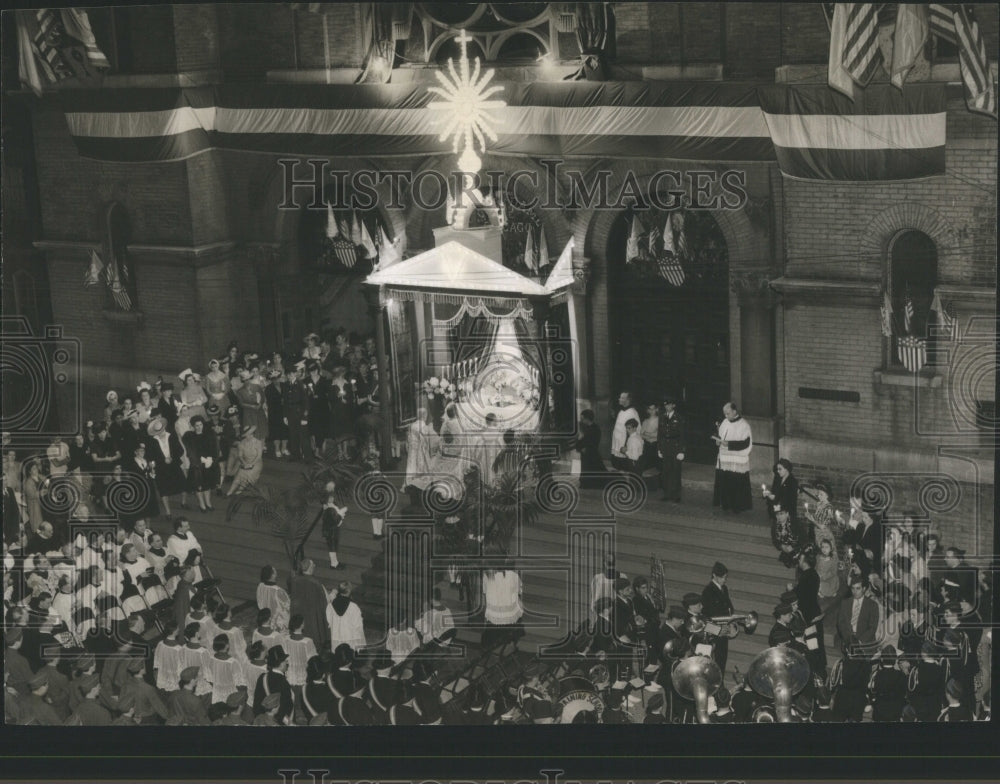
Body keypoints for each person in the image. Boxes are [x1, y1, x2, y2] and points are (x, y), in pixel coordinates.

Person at [711, 402, 752, 513]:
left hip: (737, 461)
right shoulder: (725, 422)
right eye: (725, 414)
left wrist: (729, 444)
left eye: (728, 413)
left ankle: (737, 506)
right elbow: (720, 436)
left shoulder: (744, 425)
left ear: (734, 411)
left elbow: (746, 443)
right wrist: (718, 442)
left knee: (736, 484)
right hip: (725, 459)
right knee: (725, 482)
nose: (726, 416)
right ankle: (725, 504)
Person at [701, 561, 735, 672]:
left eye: (725, 577)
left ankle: (720, 685)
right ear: (714, 575)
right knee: (710, 662)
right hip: (713, 632)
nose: (724, 580)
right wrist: (717, 630)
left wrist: (731, 624)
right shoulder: (708, 591)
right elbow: (706, 616)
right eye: (722, 577)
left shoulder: (724, 589)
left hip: (723, 630)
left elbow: (729, 608)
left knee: (722, 660)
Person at [481, 560, 523, 649]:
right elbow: (519, 591)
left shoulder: (486, 576)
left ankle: (490, 649)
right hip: (511, 622)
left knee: (486, 639)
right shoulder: (514, 576)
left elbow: (485, 594)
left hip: (495, 623)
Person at [836, 575, 880, 655]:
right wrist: (848, 640)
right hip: (848, 642)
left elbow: (872, 627)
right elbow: (841, 623)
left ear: (864, 589)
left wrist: (859, 642)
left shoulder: (872, 605)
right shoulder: (845, 603)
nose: (854, 591)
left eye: (858, 588)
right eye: (853, 588)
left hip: (865, 644)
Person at [253, 645, 294, 725]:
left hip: (264, 721)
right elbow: (286, 707)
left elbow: (257, 705)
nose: (287, 663)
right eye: (285, 661)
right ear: (281, 664)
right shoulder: (283, 682)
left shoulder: (262, 677)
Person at [656, 396, 686, 502]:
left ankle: (676, 495)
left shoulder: (679, 417)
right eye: (665, 405)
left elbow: (682, 435)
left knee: (675, 471)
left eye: (669, 405)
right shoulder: (662, 416)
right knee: (666, 471)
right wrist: (659, 448)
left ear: (674, 405)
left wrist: (681, 450)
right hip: (665, 447)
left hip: (675, 447)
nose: (667, 407)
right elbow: (659, 434)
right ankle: (667, 494)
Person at [869, 645, 907, 722]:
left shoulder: (876, 675)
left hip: (879, 712)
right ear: (895, 660)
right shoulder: (901, 675)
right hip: (896, 712)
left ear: (882, 659)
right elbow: (904, 693)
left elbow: (871, 690)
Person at [327, 581, 366, 652]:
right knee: (349, 655)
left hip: (336, 636)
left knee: (338, 654)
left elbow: (329, 622)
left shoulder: (330, 605)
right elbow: (358, 626)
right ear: (349, 591)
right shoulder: (353, 607)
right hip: (350, 636)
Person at [763, 459, 799, 534]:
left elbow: (790, 500)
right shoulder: (778, 478)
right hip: (777, 510)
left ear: (787, 469)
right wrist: (768, 494)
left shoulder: (792, 482)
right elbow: (775, 493)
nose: (778, 471)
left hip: (786, 512)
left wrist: (774, 499)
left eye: (780, 469)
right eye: (777, 469)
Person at [227, 425, 263, 496]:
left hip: (256, 463)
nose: (249, 436)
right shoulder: (242, 443)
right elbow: (240, 456)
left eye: (251, 434)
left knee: (248, 474)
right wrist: (244, 463)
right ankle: (230, 491)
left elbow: (259, 456)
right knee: (239, 475)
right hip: (245, 462)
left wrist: (252, 464)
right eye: (247, 434)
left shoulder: (258, 442)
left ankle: (241, 489)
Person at [574, 409, 606, 490]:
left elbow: (593, 442)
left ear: (587, 419)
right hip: (586, 454)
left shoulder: (595, 429)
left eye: (582, 418)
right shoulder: (585, 428)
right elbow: (581, 441)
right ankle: (586, 483)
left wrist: (585, 447)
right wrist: (580, 442)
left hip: (592, 454)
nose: (581, 420)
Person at [257, 565, 291, 634]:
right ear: (272, 576)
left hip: (265, 619)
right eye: (275, 572)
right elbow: (287, 607)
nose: (276, 573)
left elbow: (259, 601)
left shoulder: (260, 586)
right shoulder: (279, 591)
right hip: (277, 623)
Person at [610, 391, 639, 472]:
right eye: (620, 397)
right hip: (617, 444)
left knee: (625, 468)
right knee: (617, 466)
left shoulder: (632, 412)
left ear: (628, 400)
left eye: (622, 398)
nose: (619, 399)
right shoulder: (621, 411)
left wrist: (627, 445)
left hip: (624, 446)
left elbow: (635, 431)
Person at [321, 483, 347, 570]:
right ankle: (334, 564)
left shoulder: (331, 506)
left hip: (333, 530)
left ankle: (335, 562)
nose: (332, 498)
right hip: (331, 531)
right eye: (330, 497)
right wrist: (340, 513)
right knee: (332, 547)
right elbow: (335, 520)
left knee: (334, 547)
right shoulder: (330, 509)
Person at [265, 370, 290, 458]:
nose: (276, 380)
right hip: (274, 412)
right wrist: (280, 401)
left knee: (285, 430)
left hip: (285, 412)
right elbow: (269, 401)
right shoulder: (268, 388)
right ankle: (277, 449)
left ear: (280, 378)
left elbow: (289, 397)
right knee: (276, 431)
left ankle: (284, 448)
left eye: (277, 378)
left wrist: (285, 402)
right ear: (271, 380)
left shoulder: (285, 386)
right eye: (273, 379)